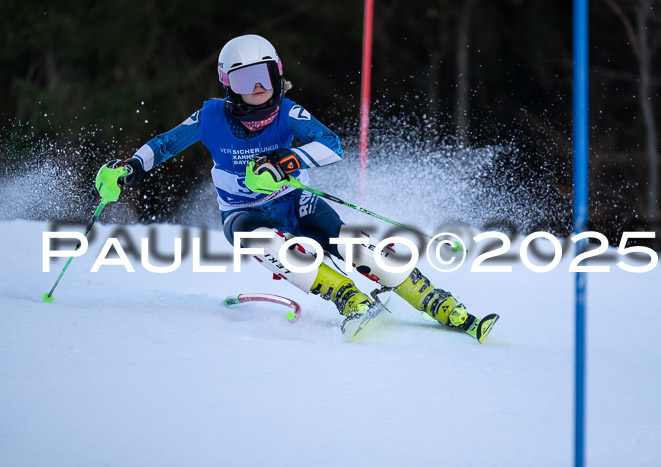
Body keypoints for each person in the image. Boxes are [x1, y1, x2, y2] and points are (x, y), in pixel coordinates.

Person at [96, 34, 497, 342]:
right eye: (246, 79)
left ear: (278, 75)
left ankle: (441, 304)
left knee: (349, 243)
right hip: (243, 213)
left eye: (266, 76)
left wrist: (285, 162)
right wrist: (128, 168)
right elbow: (165, 144)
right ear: (227, 83)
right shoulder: (211, 116)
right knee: (266, 243)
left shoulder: (288, 112)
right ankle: (350, 300)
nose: (258, 88)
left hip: (293, 200)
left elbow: (331, 145)